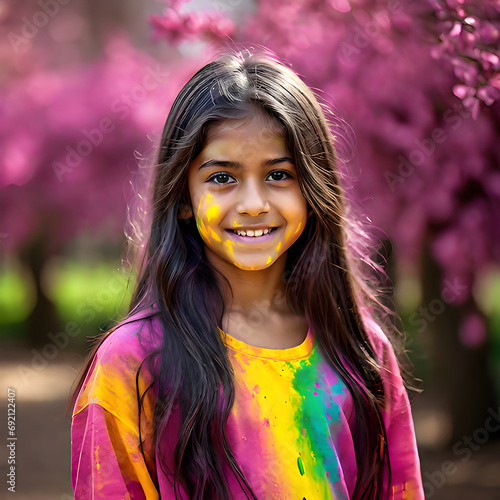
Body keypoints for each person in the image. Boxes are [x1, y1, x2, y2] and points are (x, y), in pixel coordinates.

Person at [68, 48, 425, 500]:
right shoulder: (133, 363)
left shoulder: (359, 349)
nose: (254, 202)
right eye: (222, 178)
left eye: (279, 175)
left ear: (315, 190)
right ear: (182, 197)